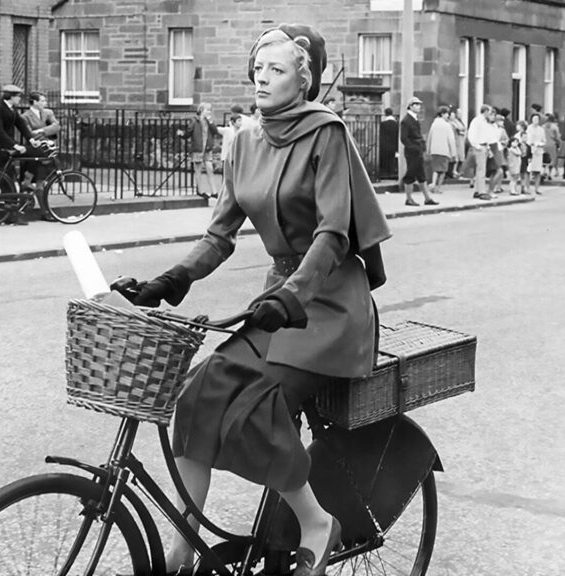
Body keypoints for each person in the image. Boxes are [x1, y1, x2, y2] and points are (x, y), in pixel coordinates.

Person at [119, 24, 391, 576]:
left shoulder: (327, 134)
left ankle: (317, 521)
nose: (263, 79)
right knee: (198, 395)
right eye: (259, 69)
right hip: (281, 302)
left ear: (304, 79)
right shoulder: (243, 140)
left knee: (254, 410)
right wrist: (170, 281)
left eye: (278, 70)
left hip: (331, 307)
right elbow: (220, 235)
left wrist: (292, 295)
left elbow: (334, 233)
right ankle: (182, 547)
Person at [0, 84, 38, 225]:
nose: (20, 99)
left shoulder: (12, 109)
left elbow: (21, 125)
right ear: (11, 96)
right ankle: (11, 216)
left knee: (9, 179)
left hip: (6, 147)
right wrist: (14, 145)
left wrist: (31, 139)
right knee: (7, 181)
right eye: (18, 96)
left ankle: (12, 212)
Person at [20, 91, 61, 221]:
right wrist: (42, 137)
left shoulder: (48, 113)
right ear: (35, 102)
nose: (45, 103)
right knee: (38, 182)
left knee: (41, 181)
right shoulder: (25, 116)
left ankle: (42, 209)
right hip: (34, 149)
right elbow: (29, 134)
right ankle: (43, 211)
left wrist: (42, 130)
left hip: (46, 150)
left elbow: (56, 126)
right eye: (42, 101)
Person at [399, 96, 438, 206]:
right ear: (410, 106)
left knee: (421, 175)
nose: (419, 106)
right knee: (410, 174)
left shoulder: (415, 119)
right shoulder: (406, 120)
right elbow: (404, 138)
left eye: (419, 104)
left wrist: (421, 147)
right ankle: (409, 198)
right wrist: (413, 147)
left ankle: (427, 198)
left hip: (418, 150)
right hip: (412, 152)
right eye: (416, 104)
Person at [180, 102, 221, 199]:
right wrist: (181, 133)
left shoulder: (209, 121)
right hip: (198, 149)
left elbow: (215, 132)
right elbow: (188, 133)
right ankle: (200, 191)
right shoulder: (195, 121)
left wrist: (210, 121)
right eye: (207, 110)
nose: (209, 112)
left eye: (210, 110)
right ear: (202, 110)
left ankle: (214, 191)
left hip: (207, 149)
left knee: (209, 169)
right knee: (198, 170)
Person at [465, 104, 497, 200]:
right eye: (489, 111)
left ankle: (477, 190)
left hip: (484, 146)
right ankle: (481, 191)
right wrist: (477, 146)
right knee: (481, 170)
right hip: (480, 146)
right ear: (486, 111)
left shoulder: (483, 122)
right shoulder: (477, 121)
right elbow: (472, 134)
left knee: (480, 170)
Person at [425, 105, 457, 195]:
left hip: (434, 150)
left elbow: (429, 137)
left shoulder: (434, 124)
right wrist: (453, 152)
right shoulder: (447, 126)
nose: (448, 116)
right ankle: (438, 187)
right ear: (443, 114)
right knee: (443, 171)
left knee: (435, 169)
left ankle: (433, 184)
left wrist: (428, 149)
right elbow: (451, 140)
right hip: (444, 150)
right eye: (447, 114)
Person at [525, 112, 547, 195]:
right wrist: (531, 143)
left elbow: (544, 140)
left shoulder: (541, 129)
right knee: (528, 170)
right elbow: (526, 139)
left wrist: (540, 144)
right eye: (534, 119)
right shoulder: (528, 128)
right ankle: (527, 187)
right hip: (530, 151)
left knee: (537, 171)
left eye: (537, 119)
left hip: (538, 152)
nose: (535, 120)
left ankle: (537, 188)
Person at [379, 107, 399, 178]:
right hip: (393, 145)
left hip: (384, 145)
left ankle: (384, 174)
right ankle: (392, 173)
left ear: (385, 114)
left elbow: (380, 135)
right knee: (392, 160)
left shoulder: (383, 124)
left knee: (385, 160)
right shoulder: (396, 124)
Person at [447, 106, 467, 179]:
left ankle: (458, 172)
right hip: (456, 142)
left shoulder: (459, 121)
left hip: (460, 141)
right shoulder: (451, 123)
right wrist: (461, 131)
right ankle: (454, 172)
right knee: (456, 158)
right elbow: (458, 129)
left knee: (460, 157)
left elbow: (462, 129)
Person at [506, 122, 525, 195]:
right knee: (513, 179)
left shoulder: (516, 148)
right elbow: (519, 153)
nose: (516, 144)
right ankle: (512, 190)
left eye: (517, 142)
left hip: (517, 165)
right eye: (514, 142)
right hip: (513, 165)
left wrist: (517, 147)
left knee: (516, 178)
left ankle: (514, 189)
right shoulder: (511, 149)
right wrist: (516, 147)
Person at [542, 113, 561, 183]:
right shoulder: (554, 127)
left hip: (544, 144)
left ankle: (544, 171)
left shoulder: (543, 126)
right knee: (552, 159)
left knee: (544, 159)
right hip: (552, 144)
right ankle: (549, 173)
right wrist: (559, 144)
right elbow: (557, 137)